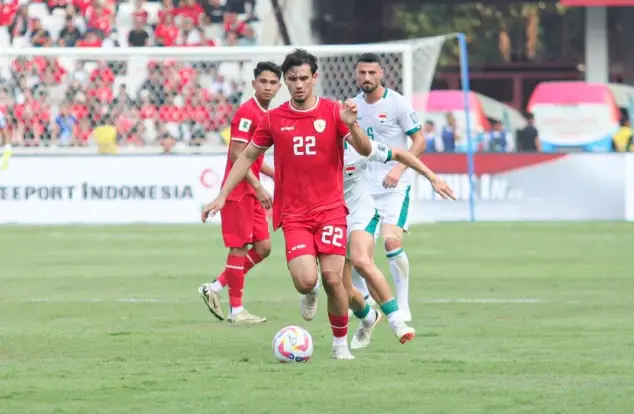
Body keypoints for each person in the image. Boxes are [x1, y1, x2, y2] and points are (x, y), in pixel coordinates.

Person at [202, 49, 372, 360]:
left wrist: (354, 125)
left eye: (304, 78)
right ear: (286, 81)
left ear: (315, 78)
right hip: (294, 215)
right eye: (292, 79)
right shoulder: (274, 119)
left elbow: (364, 149)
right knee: (307, 280)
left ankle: (339, 345)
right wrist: (222, 194)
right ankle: (309, 293)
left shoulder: (334, 112)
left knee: (334, 279)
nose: (298, 84)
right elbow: (247, 156)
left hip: (331, 210)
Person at [343, 139, 455, 349]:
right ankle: (368, 316)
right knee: (338, 287)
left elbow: (401, 154)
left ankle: (397, 320)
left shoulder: (358, 148)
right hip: (327, 216)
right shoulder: (310, 150)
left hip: (360, 211)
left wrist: (433, 177)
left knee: (361, 260)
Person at [198, 62, 281, 324]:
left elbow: (253, 158)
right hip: (239, 191)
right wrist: (258, 186)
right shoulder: (247, 113)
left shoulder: (266, 114)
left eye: (272, 83)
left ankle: (216, 287)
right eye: (263, 82)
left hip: (253, 189)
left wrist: (272, 174)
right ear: (253, 84)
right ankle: (237, 311)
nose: (267, 86)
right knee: (239, 247)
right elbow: (237, 155)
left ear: (279, 87)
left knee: (264, 247)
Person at [353, 53, 426, 322]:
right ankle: (365, 300)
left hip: (395, 186)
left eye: (372, 73)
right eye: (362, 73)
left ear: (381, 73)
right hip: (363, 187)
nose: (367, 78)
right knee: (358, 248)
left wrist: (398, 169)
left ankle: (403, 305)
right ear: (356, 74)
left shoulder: (398, 104)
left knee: (392, 240)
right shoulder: (352, 107)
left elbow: (419, 141)